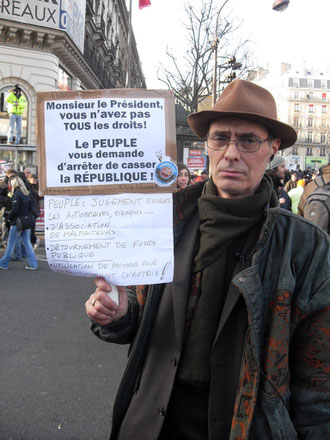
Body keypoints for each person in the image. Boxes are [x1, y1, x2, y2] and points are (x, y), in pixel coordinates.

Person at [85, 80, 329, 440]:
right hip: (151, 423)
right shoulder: (164, 221)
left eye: (248, 140)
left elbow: (318, 381)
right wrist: (119, 316)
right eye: (220, 138)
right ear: (208, 145)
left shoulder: (305, 246)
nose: (231, 152)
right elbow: (138, 320)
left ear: (273, 148)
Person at [0, 175, 38, 270]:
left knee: (11, 243)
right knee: (27, 243)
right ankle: (33, 264)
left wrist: (9, 219)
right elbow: (31, 208)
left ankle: (3, 263)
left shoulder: (17, 194)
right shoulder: (27, 193)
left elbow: (15, 210)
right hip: (26, 221)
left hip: (17, 222)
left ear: (13, 184)